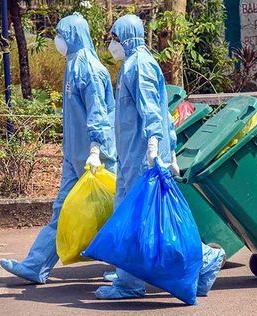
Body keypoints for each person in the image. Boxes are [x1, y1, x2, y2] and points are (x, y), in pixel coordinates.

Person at [95, 14, 224, 300]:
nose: (111, 44)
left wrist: (155, 145)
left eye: (114, 38)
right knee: (134, 219)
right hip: (133, 156)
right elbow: (164, 112)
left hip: (143, 157)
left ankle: (202, 260)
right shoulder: (134, 64)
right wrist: (171, 147)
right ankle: (131, 280)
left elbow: (153, 110)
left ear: (126, 36)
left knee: (149, 221)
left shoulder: (139, 65)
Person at [0, 13, 116, 284]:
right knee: (61, 210)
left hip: (95, 157)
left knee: (118, 211)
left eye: (61, 34)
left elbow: (98, 113)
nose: (58, 40)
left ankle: (130, 270)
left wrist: (96, 149)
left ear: (73, 36)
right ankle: (35, 265)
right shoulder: (74, 64)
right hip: (75, 157)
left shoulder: (88, 67)